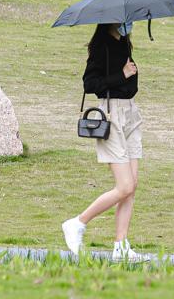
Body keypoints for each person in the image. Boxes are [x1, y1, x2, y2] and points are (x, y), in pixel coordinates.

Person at [62, 23, 144, 262]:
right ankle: (77, 223)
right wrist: (123, 75)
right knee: (124, 186)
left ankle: (121, 246)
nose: (128, 24)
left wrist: (129, 75)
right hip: (111, 115)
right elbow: (90, 84)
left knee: (132, 186)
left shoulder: (124, 42)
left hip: (131, 114)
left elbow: (130, 86)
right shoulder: (101, 46)